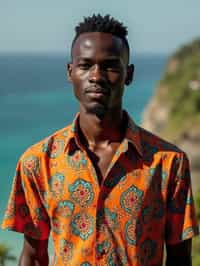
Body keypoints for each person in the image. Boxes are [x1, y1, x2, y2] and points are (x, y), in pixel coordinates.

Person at [1, 14, 199, 266]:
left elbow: (180, 259)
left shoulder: (169, 164)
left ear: (129, 74)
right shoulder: (37, 162)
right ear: (70, 72)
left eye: (110, 66)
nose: (96, 76)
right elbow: (33, 257)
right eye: (85, 65)